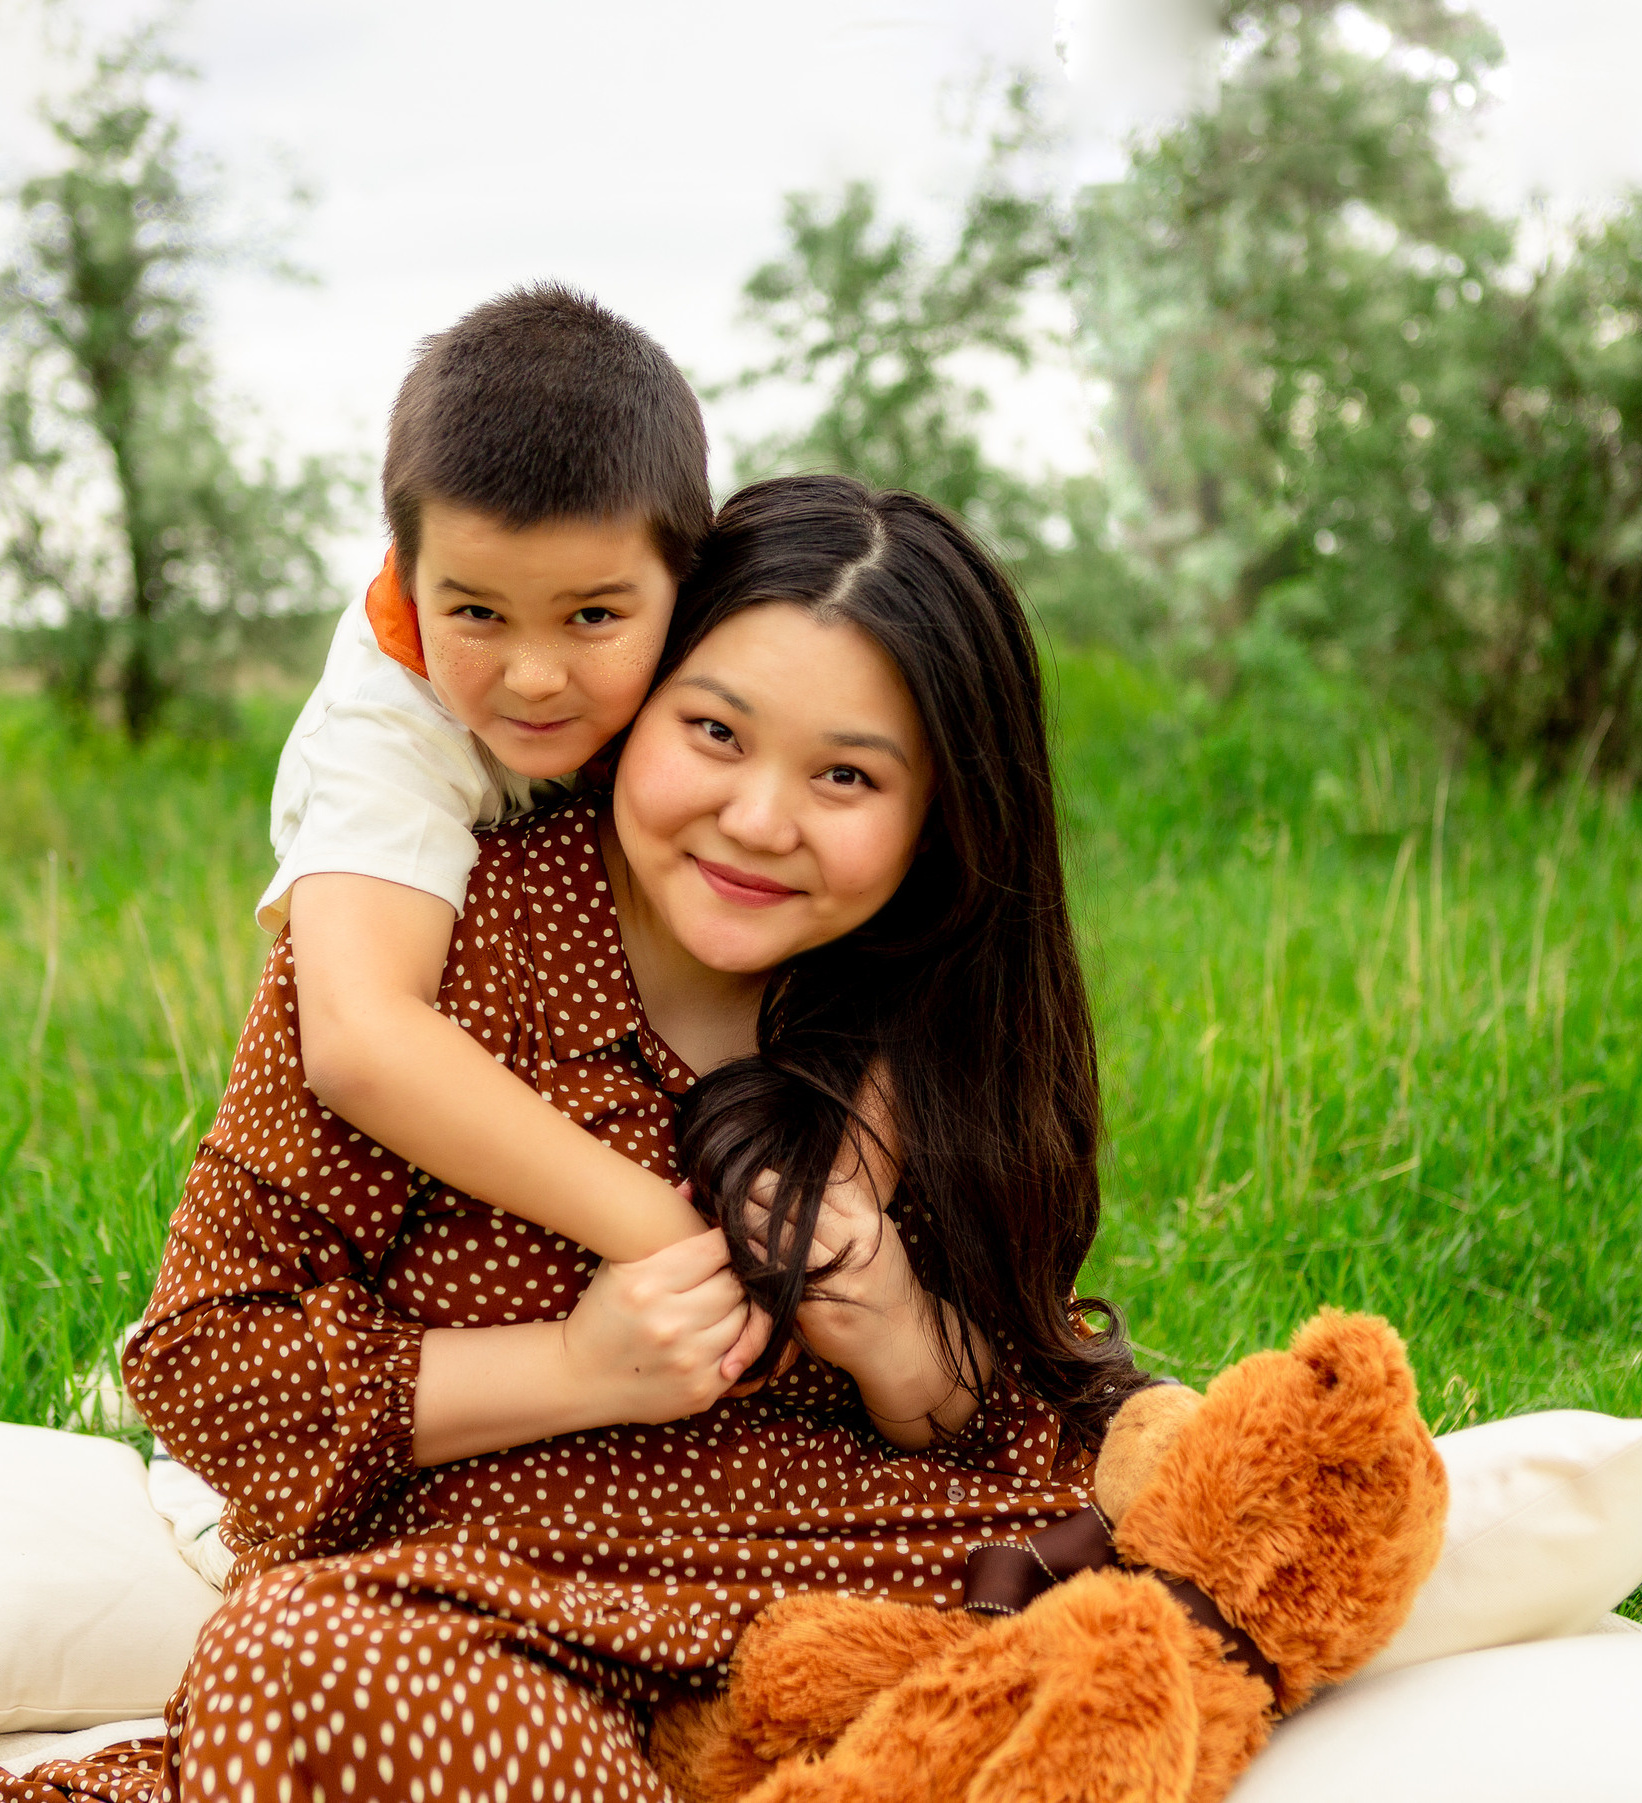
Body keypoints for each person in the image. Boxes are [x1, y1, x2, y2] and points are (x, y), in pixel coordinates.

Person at [1, 476, 1145, 1803]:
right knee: (291, 1657)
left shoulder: (942, 1014)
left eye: (846, 774)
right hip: (478, 1615)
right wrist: (575, 1365)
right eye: (715, 731)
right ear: (633, 705)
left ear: (945, 806)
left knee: (1158, 1613)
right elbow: (204, 1368)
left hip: (846, 1608)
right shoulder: (437, 952)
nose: (762, 818)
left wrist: (888, 1321)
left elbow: (1026, 1400)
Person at [269, 282, 720, 1274]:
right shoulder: (383, 718)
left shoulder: (727, 631)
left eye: (593, 617)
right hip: (465, 1076)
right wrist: (667, 1239)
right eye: (475, 613)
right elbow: (359, 1038)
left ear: (687, 576)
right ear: (406, 572)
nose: (533, 678)